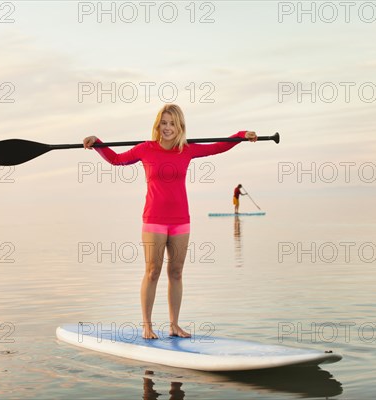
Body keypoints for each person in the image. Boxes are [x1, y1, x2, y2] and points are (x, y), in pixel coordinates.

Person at [83, 104, 257, 339]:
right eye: (163, 123)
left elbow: (217, 147)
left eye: (172, 123)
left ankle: (174, 325)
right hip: (154, 219)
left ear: (180, 127)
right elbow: (116, 160)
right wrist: (98, 143)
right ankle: (147, 325)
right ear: (158, 125)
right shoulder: (146, 149)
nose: (167, 127)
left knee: (176, 272)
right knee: (152, 271)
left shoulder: (186, 150)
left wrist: (240, 136)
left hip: (180, 220)